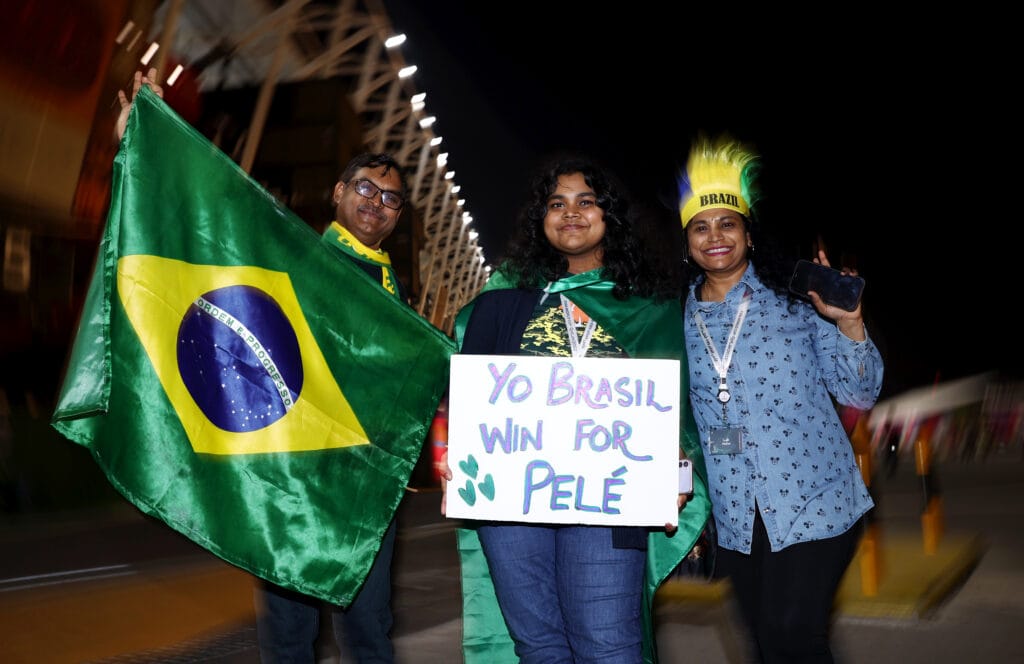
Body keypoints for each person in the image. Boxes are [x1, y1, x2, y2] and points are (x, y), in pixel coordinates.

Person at [117, 69, 411, 663]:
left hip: (364, 487)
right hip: (292, 482)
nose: (376, 203)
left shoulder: (394, 292)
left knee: (367, 633)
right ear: (337, 193)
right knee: (288, 634)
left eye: (390, 198)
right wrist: (144, 141)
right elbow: (207, 225)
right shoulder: (292, 258)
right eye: (365, 188)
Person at [442, 154, 711, 663]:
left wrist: (677, 476)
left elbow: (675, 414)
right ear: (540, 218)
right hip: (511, 505)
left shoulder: (649, 305)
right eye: (556, 203)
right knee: (538, 647)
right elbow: (469, 400)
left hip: (610, 502)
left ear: (609, 215)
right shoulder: (502, 301)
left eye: (586, 201)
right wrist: (454, 455)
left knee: (607, 645)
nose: (570, 212)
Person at [676, 134, 883, 663]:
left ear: (748, 234)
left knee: (793, 632)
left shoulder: (795, 302)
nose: (715, 236)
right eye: (701, 227)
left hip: (816, 502)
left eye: (727, 223)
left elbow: (859, 391)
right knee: (766, 645)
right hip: (736, 519)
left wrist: (850, 324)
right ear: (687, 242)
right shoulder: (674, 320)